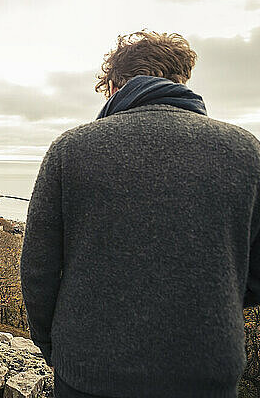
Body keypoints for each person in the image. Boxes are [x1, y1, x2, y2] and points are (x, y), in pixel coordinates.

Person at [20, 31, 260, 398]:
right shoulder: (246, 151)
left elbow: (38, 270)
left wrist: (54, 346)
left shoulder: (71, 150)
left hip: (91, 371)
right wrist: (212, 297)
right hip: (206, 371)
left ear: (115, 87)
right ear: (181, 80)